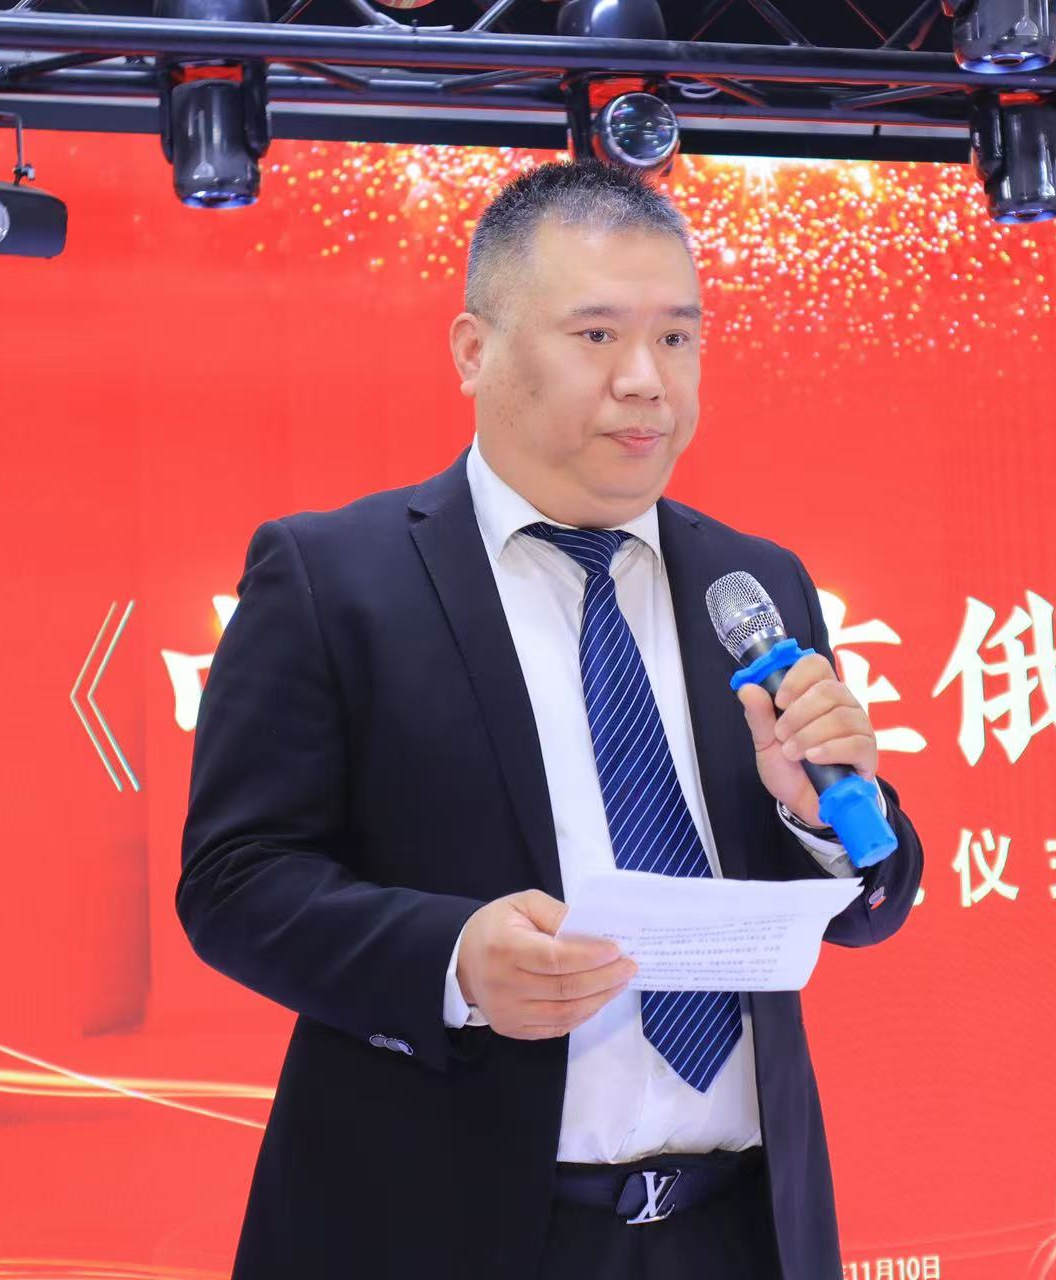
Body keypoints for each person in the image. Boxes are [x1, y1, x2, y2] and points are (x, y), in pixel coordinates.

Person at [177, 158, 924, 1280]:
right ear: (474, 350)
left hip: (738, 1228)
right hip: (443, 1228)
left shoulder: (756, 581)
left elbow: (870, 906)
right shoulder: (335, 578)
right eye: (597, 335)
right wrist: (453, 960)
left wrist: (823, 818)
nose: (646, 381)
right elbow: (235, 883)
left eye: (678, 337)